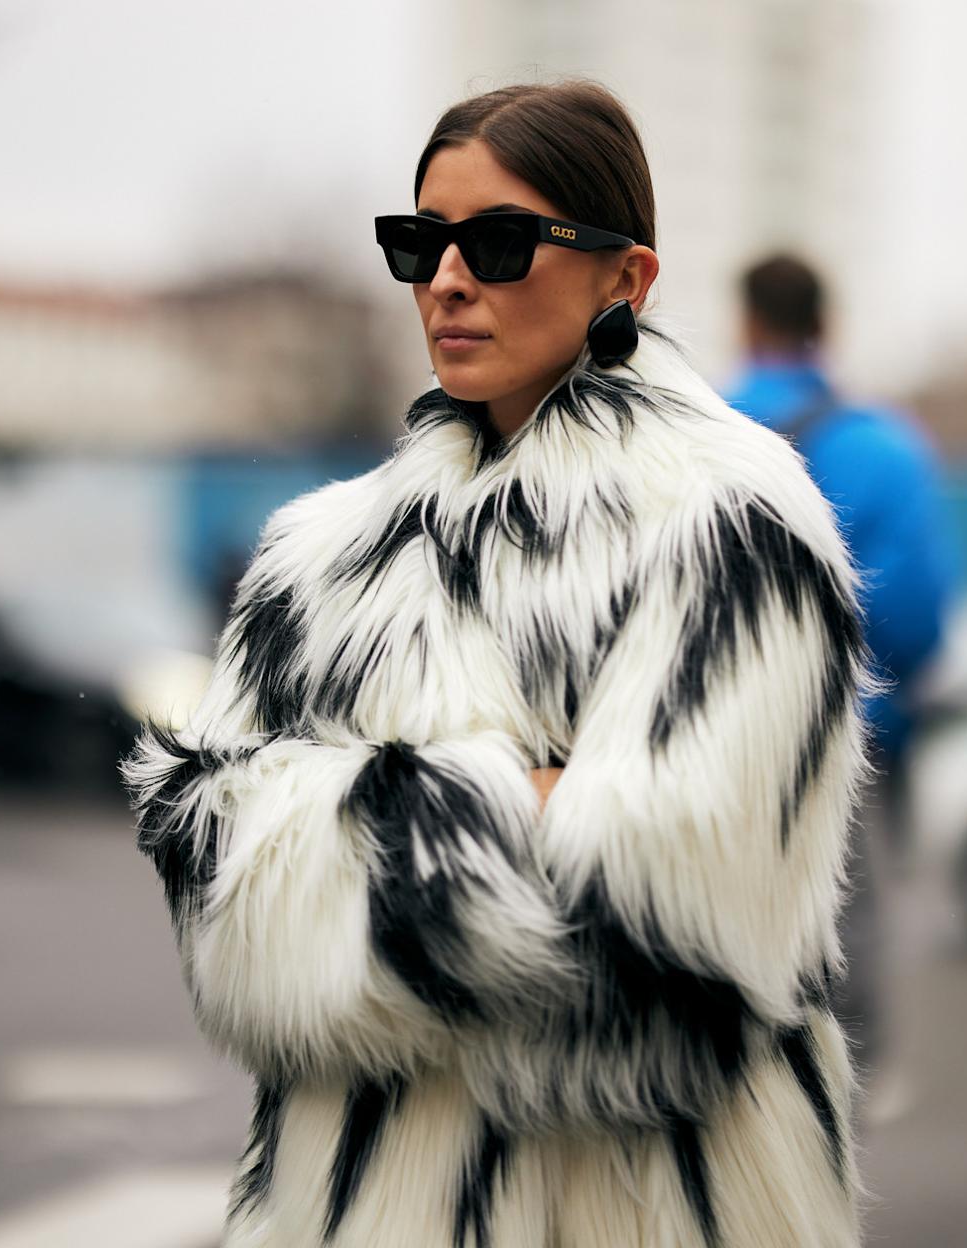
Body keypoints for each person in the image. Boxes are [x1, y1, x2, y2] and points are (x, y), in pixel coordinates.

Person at [122, 82, 876, 1248]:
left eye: (502, 241)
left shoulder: (734, 517)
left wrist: (340, 837)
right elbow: (218, 902)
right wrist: (528, 804)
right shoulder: (315, 556)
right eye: (420, 242)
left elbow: (681, 949)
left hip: (651, 1208)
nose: (449, 279)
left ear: (626, 278)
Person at [720, 253, 961, 1080]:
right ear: (826, 327)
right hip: (846, 749)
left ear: (747, 323)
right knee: (843, 954)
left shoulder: (697, 433)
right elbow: (921, 615)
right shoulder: (886, 449)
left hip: (708, 756)